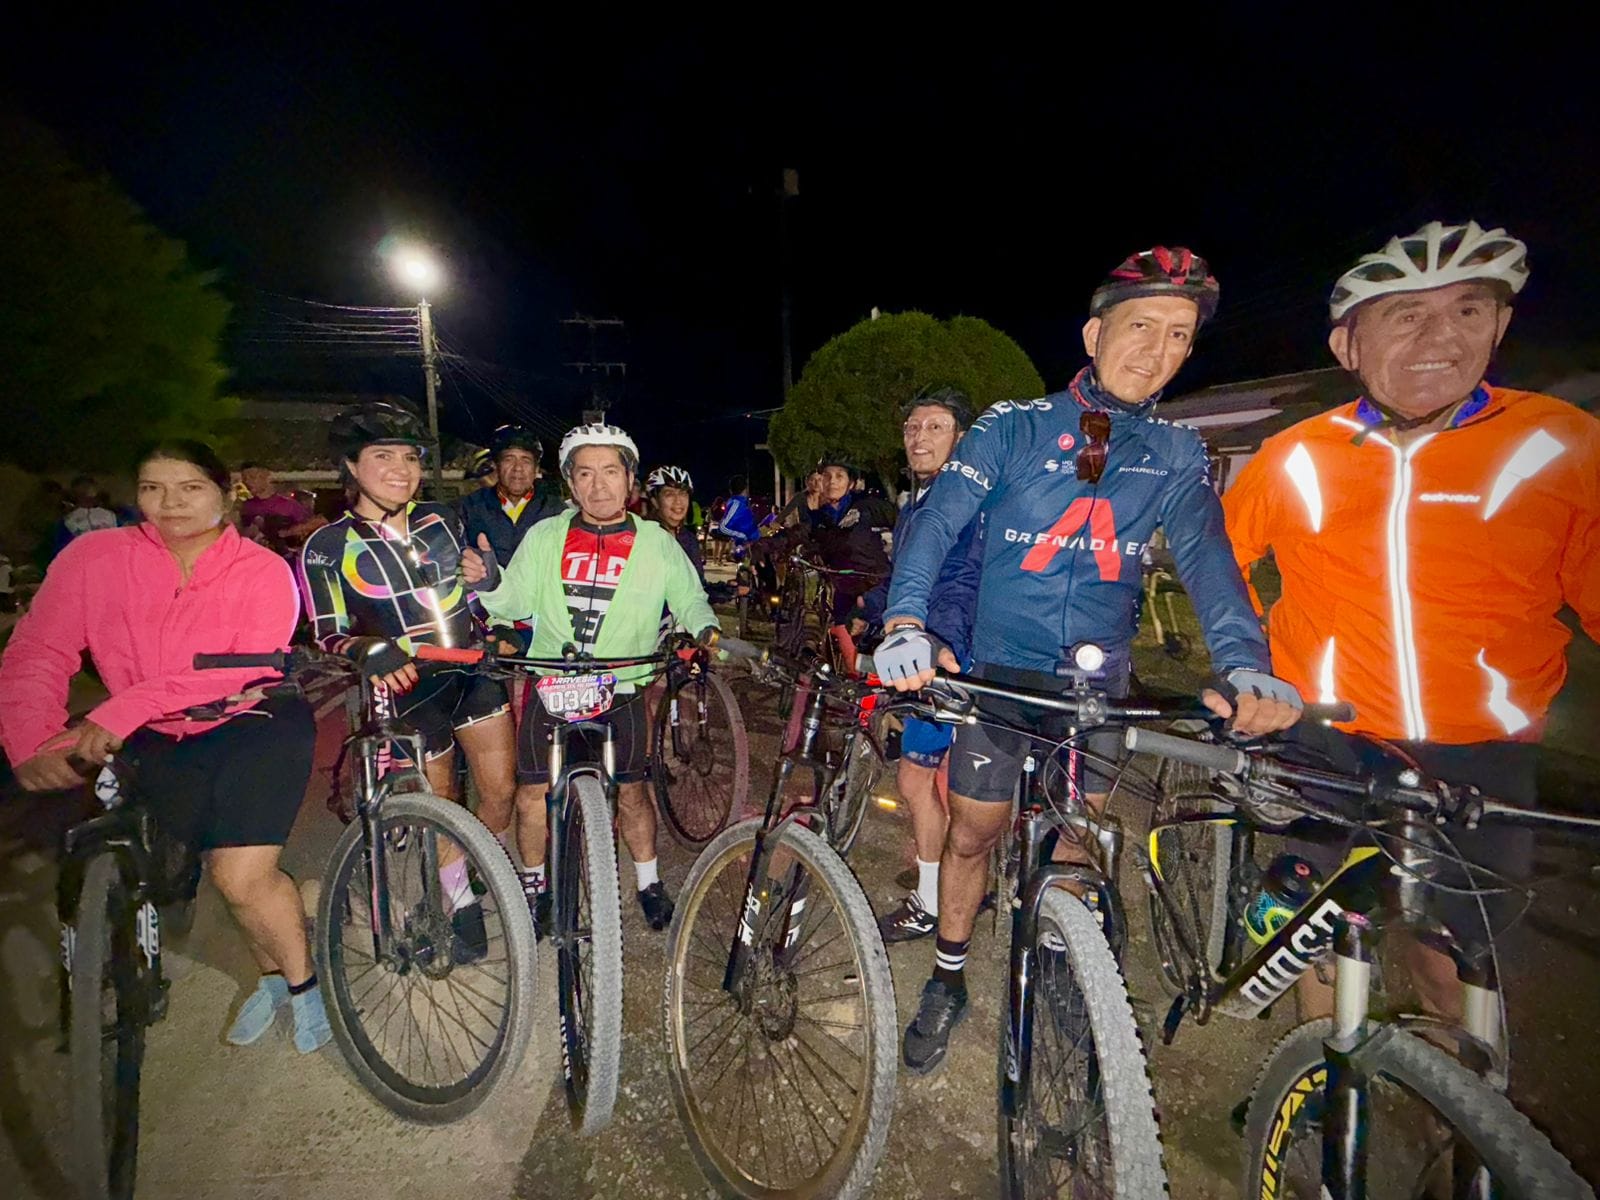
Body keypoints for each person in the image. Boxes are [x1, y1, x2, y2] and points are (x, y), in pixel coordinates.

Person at [875, 246, 1304, 1073]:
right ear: (1094, 331)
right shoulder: (1013, 427)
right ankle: (950, 974)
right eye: (1142, 326)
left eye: (1180, 336)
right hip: (998, 679)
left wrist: (1245, 660)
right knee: (974, 835)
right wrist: (906, 619)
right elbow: (935, 523)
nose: (1160, 351)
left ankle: (1071, 973)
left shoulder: (1176, 454)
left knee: (1079, 840)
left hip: (1097, 686)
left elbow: (1211, 562)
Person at [1222, 220, 1600, 1022]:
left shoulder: (1560, 445)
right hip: (1325, 731)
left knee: (1455, 967)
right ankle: (1317, 1079)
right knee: (1313, 933)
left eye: (1467, 312)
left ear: (1499, 327)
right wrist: (1247, 666)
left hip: (1481, 754)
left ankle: (1458, 1121)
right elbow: (1218, 566)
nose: (1440, 337)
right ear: (1349, 345)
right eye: (1406, 315)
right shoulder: (1295, 455)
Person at [0, 440, 330, 1053]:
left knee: (240, 875)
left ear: (223, 492)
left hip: (252, 722)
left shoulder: (259, 569)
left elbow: (241, 667)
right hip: (158, 737)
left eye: (190, 487)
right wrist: (30, 739)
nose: (170, 502)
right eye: (153, 488)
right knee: (213, 873)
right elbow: (40, 649)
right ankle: (270, 979)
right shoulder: (94, 558)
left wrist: (123, 707)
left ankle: (304, 986)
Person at [461, 422, 719, 934]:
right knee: (532, 794)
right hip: (552, 682)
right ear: (571, 485)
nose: (598, 485)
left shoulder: (656, 543)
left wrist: (706, 628)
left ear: (630, 481)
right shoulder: (546, 534)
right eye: (585, 474)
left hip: (623, 684)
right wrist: (491, 582)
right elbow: (515, 602)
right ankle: (535, 885)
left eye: (609, 472)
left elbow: (688, 597)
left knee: (633, 791)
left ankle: (647, 881)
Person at [298, 401, 519, 957]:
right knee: (443, 798)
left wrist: (488, 578)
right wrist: (369, 649)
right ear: (351, 465)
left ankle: (465, 871)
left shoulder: (442, 518)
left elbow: (471, 592)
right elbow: (326, 632)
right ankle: (455, 897)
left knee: (501, 794)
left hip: (470, 669)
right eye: (382, 456)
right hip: (407, 684)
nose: (400, 468)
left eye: (409, 457)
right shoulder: (327, 547)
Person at [856, 386, 982, 941]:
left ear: (960, 438)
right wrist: (870, 610)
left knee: (921, 783)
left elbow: (962, 584)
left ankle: (936, 901)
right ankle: (952, 889)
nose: (918, 437)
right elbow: (911, 578)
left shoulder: (968, 503)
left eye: (935, 427)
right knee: (934, 786)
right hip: (930, 651)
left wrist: (936, 644)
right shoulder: (919, 506)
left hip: (952, 657)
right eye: (911, 428)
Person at [790, 451, 897, 627]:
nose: (832, 481)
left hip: (877, 586)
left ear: (851, 483)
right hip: (843, 588)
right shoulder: (819, 518)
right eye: (827, 476)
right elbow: (804, 537)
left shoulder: (869, 507)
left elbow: (905, 524)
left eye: (839, 476)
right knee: (840, 630)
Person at [457, 424, 566, 572]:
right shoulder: (468, 508)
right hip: (487, 593)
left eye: (526, 460)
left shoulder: (557, 512)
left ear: (536, 469)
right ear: (496, 465)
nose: (518, 468)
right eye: (509, 459)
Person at [239, 462, 326, 559]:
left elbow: (317, 523)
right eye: (244, 478)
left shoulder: (288, 505)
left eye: (252, 477)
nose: (247, 482)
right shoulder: (244, 507)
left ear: (266, 476)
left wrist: (288, 532)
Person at [645, 465, 706, 584]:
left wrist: (724, 590)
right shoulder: (644, 537)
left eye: (683, 494)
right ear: (655, 501)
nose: (678, 501)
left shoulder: (689, 539)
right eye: (669, 494)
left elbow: (698, 584)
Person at [53, 474, 118, 555]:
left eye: (89, 487)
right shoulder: (68, 520)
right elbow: (62, 550)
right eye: (83, 487)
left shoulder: (110, 516)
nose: (86, 490)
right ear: (75, 492)